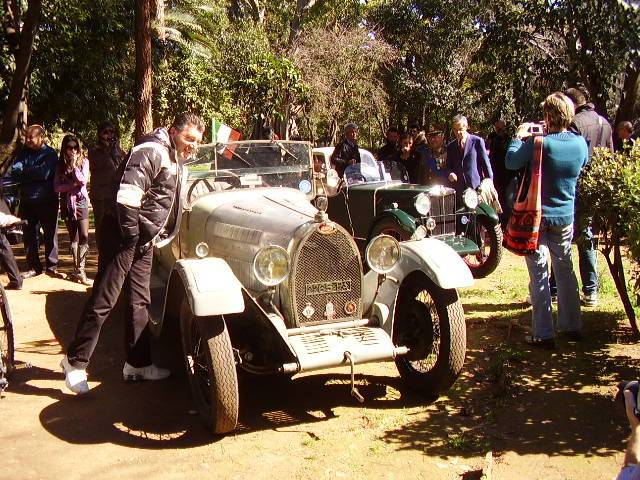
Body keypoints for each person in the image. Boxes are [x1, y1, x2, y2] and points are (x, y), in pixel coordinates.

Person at [60, 113, 205, 395]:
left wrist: (145, 238)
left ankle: (137, 365)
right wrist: (131, 237)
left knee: (140, 300)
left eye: (197, 142)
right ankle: (74, 362)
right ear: (173, 131)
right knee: (105, 298)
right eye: (189, 138)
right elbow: (127, 196)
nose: (192, 146)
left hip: (141, 239)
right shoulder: (152, 150)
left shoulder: (175, 156)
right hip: (124, 234)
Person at [506, 92, 587, 348]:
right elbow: (582, 165)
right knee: (564, 270)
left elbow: (511, 161)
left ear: (548, 117)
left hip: (537, 218)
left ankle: (544, 333)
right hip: (565, 216)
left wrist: (518, 137)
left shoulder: (540, 143)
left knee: (539, 273)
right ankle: (571, 326)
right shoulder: (580, 144)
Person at [561, 87, 614, 307]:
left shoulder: (576, 124)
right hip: (596, 188)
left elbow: (569, 155)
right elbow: (611, 155)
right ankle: (590, 289)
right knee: (587, 236)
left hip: (577, 186)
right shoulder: (605, 122)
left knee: (564, 237)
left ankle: (584, 288)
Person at [10, 125, 60, 278]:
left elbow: (44, 173)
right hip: (28, 201)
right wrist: (31, 172)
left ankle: (52, 266)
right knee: (29, 235)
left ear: (41, 137)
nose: (28, 140)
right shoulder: (24, 153)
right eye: (27, 137)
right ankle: (33, 267)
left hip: (47, 200)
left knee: (50, 234)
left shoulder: (50, 154)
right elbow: (15, 172)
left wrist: (25, 172)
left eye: (31, 137)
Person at [54, 134, 91, 286]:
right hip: (67, 203)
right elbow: (57, 187)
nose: (73, 150)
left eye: (75, 147)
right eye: (69, 147)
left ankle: (81, 269)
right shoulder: (59, 166)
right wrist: (71, 186)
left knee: (84, 235)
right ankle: (77, 269)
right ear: (64, 149)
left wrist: (74, 165)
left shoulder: (84, 162)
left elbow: (82, 180)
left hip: (81, 202)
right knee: (73, 237)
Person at [87, 121, 126, 243]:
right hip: (101, 196)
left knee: (115, 225)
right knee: (102, 226)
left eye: (112, 132)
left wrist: (116, 149)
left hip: (116, 194)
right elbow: (98, 165)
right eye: (105, 132)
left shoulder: (118, 150)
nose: (109, 135)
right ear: (99, 134)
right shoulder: (94, 149)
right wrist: (108, 149)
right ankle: (102, 253)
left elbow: (123, 166)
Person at [446, 114, 494, 196]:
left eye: (460, 129)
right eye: (455, 130)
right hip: (459, 190)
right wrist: (450, 173)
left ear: (466, 127)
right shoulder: (451, 146)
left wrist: (489, 184)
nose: (458, 133)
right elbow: (449, 167)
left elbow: (486, 165)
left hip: (476, 188)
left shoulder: (477, 142)